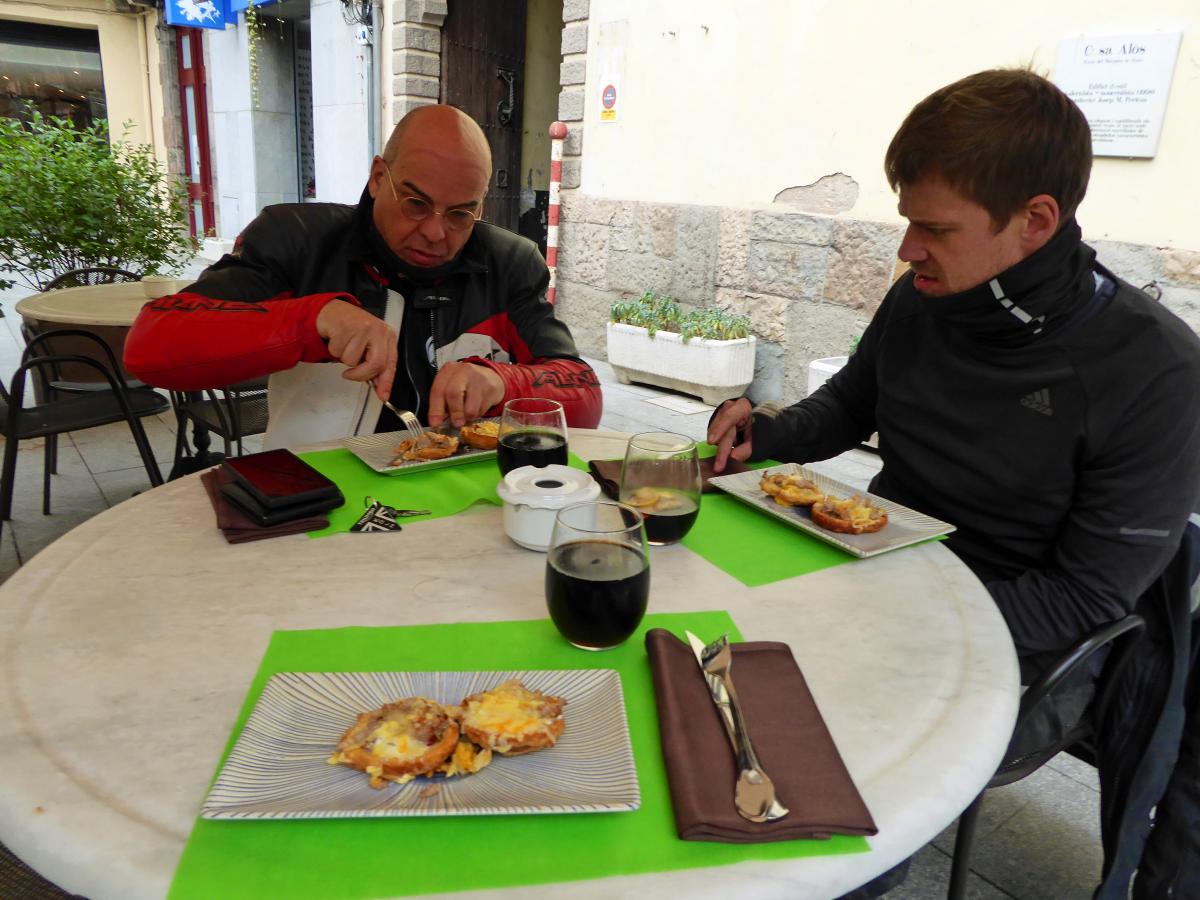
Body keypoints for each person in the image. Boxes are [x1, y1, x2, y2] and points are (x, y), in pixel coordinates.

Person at [709, 69, 1200, 895]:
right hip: (879, 574)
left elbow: (1083, 599)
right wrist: (769, 431)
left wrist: (891, 625)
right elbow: (849, 405)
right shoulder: (924, 297)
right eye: (908, 222)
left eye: (933, 229)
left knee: (816, 775)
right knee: (705, 645)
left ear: (1035, 221)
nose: (907, 251)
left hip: (1029, 651)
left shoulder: (1155, 371)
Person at [124, 105, 601, 449]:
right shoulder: (297, 240)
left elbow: (584, 393)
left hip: (459, 511)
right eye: (415, 203)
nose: (436, 233)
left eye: (461, 213)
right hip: (314, 501)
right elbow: (149, 346)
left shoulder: (509, 262)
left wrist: (502, 382)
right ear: (377, 178)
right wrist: (312, 319)